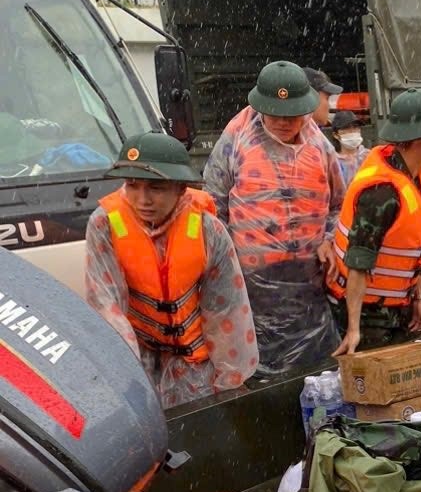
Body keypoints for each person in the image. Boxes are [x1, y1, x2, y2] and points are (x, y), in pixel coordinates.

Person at [85, 132, 258, 409]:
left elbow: (226, 308)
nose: (143, 200)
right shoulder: (105, 223)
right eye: (132, 185)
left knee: (198, 434)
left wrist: (230, 378)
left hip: (192, 360)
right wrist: (127, 375)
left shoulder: (206, 228)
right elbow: (106, 305)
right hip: (138, 352)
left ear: (181, 188)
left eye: (155, 187)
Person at [203, 60, 344, 377]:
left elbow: (338, 203)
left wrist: (327, 239)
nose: (284, 122)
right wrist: (229, 266)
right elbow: (213, 205)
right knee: (263, 371)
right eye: (275, 114)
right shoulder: (236, 139)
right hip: (255, 286)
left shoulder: (319, 145)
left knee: (318, 369)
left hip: (309, 281)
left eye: (292, 114)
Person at [328, 88, 421, 354]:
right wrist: (354, 330)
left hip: (399, 304)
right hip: (368, 312)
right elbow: (358, 263)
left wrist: (419, 298)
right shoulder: (382, 193)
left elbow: (412, 248)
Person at [329, 109, 369, 188]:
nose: (352, 132)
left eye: (355, 127)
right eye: (346, 128)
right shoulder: (332, 161)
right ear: (335, 135)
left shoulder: (369, 156)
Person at [303, 67, 344, 133]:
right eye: (327, 99)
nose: (329, 106)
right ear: (310, 98)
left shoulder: (309, 135)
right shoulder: (296, 139)